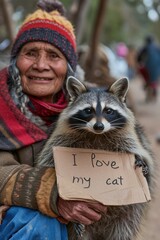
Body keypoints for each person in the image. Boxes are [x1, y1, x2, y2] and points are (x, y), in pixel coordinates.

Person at [0, 1, 107, 239]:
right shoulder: (1, 101)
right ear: (16, 61)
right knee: (36, 220)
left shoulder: (93, 107)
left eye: (53, 55)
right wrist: (53, 193)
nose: (41, 65)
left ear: (68, 67)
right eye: (30, 53)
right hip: (15, 226)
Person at [137, 35, 160, 102]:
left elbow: (139, 57)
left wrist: (140, 62)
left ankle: (147, 86)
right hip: (157, 68)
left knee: (146, 77)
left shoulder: (146, 47)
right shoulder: (157, 48)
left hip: (148, 68)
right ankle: (153, 89)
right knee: (154, 80)